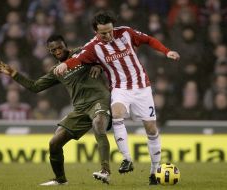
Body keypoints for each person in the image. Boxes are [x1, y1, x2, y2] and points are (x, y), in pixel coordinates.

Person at [54, 11, 180, 185]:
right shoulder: (93, 47)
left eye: (110, 31)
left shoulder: (126, 32)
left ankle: (153, 172)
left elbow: (149, 40)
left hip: (142, 87)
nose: (108, 35)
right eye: (103, 33)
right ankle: (127, 159)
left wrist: (166, 52)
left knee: (151, 129)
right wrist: (64, 65)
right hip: (120, 88)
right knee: (117, 112)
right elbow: (77, 59)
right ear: (96, 31)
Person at [0, 34, 111, 185]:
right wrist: (13, 73)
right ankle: (60, 180)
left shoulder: (81, 52)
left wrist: (99, 65)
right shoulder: (56, 71)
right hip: (80, 109)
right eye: (53, 49)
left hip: (99, 100)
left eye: (59, 47)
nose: (57, 51)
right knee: (54, 143)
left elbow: (107, 56)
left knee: (98, 124)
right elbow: (35, 87)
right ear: (50, 52)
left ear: (65, 45)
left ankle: (105, 171)